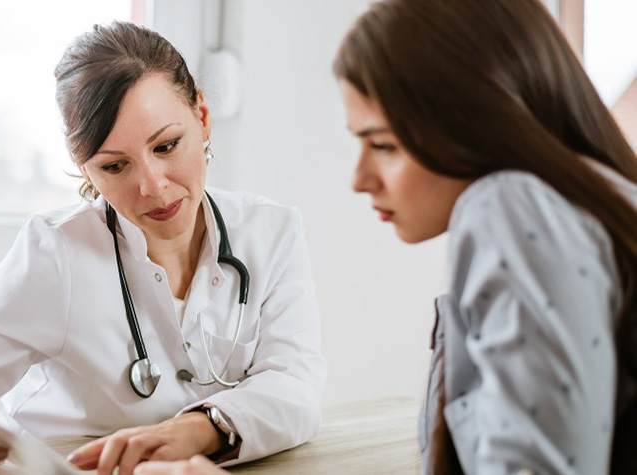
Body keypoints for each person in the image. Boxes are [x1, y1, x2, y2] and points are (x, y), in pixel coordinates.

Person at [136, 0, 637, 474]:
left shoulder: (507, 205)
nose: (360, 178)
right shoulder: (595, 200)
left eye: (383, 144)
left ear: (481, 120)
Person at [0, 21, 326, 475]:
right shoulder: (57, 253)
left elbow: (296, 384)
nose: (153, 188)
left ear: (202, 119)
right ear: (86, 171)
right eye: (115, 166)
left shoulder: (273, 232)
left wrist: (197, 430)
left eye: (167, 146)